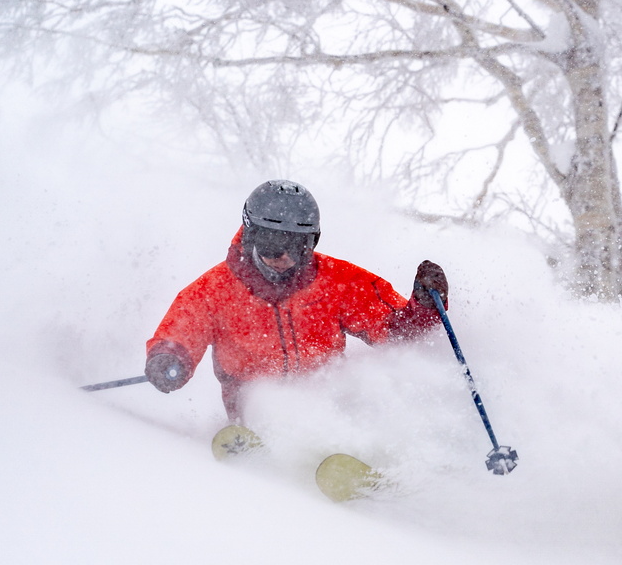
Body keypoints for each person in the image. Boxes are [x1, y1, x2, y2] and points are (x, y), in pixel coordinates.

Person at [146, 180, 448, 422]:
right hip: (253, 411)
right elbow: (182, 331)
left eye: (299, 245)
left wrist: (424, 307)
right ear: (251, 237)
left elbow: (396, 331)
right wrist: (171, 360)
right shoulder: (215, 290)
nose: (286, 257)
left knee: (367, 395)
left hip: (331, 403)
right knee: (273, 409)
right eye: (273, 244)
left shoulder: (338, 281)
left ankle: (363, 454)